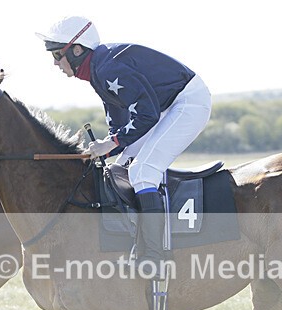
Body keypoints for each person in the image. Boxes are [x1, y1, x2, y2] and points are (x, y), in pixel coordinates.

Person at [37, 16, 212, 275]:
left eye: (56, 54)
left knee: (143, 171)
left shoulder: (107, 69)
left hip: (188, 102)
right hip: (166, 106)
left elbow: (147, 114)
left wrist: (111, 142)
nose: (54, 63)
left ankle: (154, 256)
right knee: (119, 169)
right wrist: (105, 147)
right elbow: (120, 124)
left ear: (77, 49)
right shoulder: (98, 71)